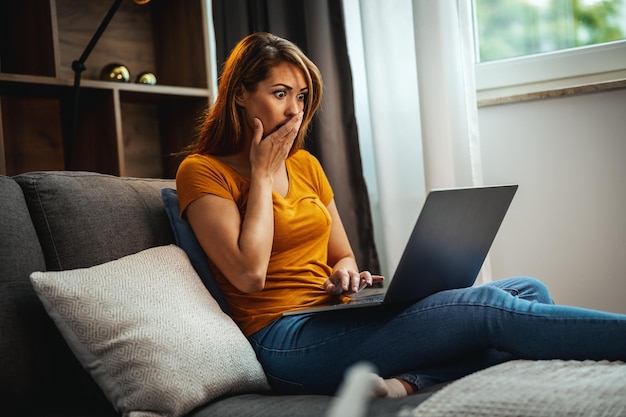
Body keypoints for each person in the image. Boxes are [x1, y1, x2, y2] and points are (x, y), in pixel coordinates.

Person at [176, 32, 626, 397]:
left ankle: (408, 384)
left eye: (301, 96)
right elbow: (249, 275)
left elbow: (343, 255)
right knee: (486, 311)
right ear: (239, 95)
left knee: (529, 289)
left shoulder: (306, 165)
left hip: (336, 314)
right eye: (280, 94)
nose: (294, 110)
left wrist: (346, 276)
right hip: (285, 340)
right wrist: (260, 173)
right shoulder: (202, 172)